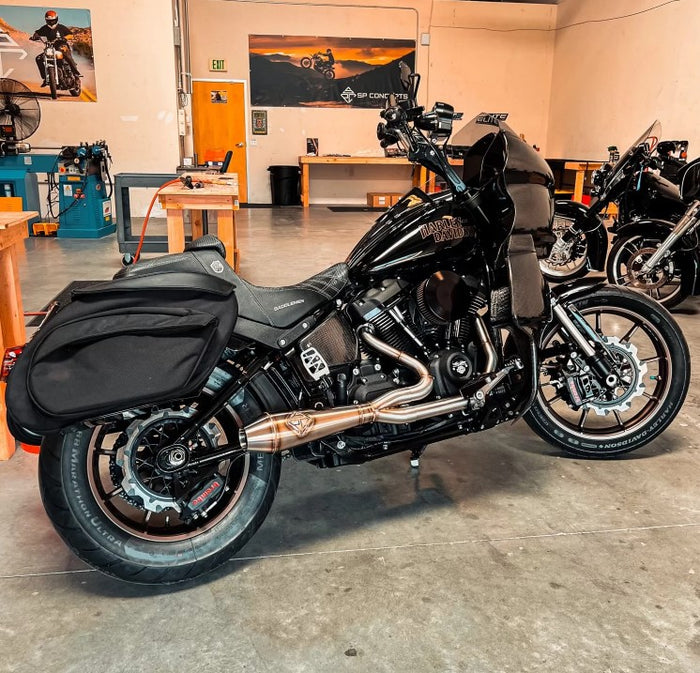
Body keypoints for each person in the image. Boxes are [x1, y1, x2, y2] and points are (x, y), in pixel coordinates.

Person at [30, 10, 81, 85]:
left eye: (53, 20)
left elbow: (71, 34)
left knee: (67, 55)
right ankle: (45, 77)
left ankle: (76, 75)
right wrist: (35, 36)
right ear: (46, 20)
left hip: (62, 46)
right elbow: (37, 33)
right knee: (39, 58)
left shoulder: (61, 27)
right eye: (49, 21)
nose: (51, 22)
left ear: (56, 19)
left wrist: (65, 38)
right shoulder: (45, 28)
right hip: (51, 48)